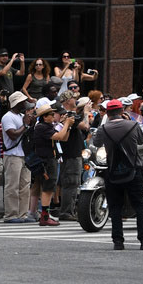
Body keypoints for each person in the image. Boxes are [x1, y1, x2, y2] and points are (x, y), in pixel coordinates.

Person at [93, 99, 143, 250]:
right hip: (133, 170)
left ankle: (118, 242)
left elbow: (96, 143)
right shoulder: (133, 125)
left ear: (107, 113)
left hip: (112, 171)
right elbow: (141, 141)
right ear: (122, 112)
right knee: (140, 205)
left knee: (115, 207)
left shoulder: (103, 128)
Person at [31, 103, 73, 225]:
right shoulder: (42, 127)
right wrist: (66, 124)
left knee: (49, 188)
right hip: (46, 160)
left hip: (50, 159)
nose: (53, 116)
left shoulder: (47, 126)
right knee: (48, 188)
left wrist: (68, 127)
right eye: (51, 114)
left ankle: (45, 215)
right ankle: (44, 216)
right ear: (44, 117)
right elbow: (59, 136)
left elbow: (64, 138)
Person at [55, 91, 90, 220]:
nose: (75, 100)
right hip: (71, 154)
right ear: (68, 100)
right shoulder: (68, 114)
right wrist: (86, 112)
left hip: (70, 153)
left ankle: (68, 210)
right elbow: (85, 126)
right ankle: (66, 212)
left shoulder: (69, 114)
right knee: (71, 182)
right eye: (73, 98)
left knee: (71, 182)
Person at [0, 92, 33, 222]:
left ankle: (22, 214)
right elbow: (13, 135)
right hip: (12, 154)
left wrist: (30, 123)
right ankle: (11, 214)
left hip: (23, 154)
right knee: (12, 185)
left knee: (25, 185)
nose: (25, 104)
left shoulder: (21, 116)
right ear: (17, 103)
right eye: (23, 101)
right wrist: (25, 125)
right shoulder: (8, 117)